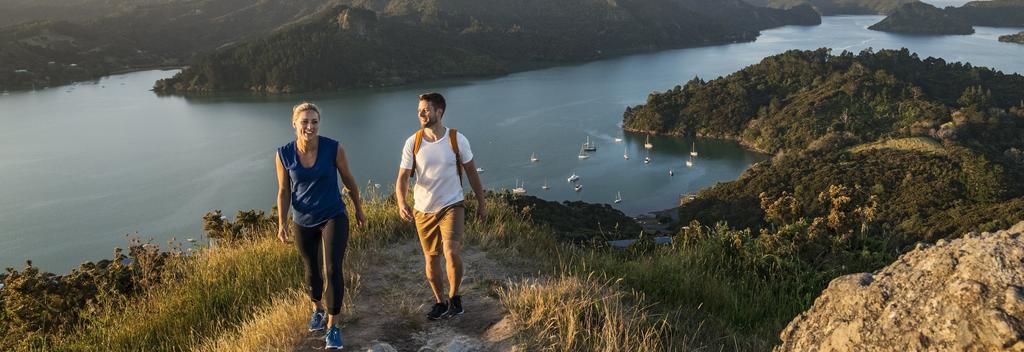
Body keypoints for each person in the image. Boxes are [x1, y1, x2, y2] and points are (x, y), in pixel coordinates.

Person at [276, 101, 366, 350]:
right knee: (312, 271)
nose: (309, 126)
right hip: (302, 220)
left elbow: (348, 179)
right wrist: (281, 223)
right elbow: (284, 192)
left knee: (332, 270)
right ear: (294, 124)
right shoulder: (283, 154)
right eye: (304, 121)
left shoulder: (333, 148)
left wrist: (358, 208)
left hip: (333, 215)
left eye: (314, 121)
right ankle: (317, 309)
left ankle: (333, 326)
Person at [395, 92, 486, 321]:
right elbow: (403, 178)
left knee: (451, 251)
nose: (421, 114)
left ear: (439, 112)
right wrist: (401, 201)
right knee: (431, 258)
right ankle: (439, 301)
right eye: (419, 111)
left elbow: (473, 173)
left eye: (425, 110)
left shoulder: (457, 139)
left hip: (452, 204)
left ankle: (455, 297)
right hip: (423, 209)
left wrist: (481, 203)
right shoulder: (412, 142)